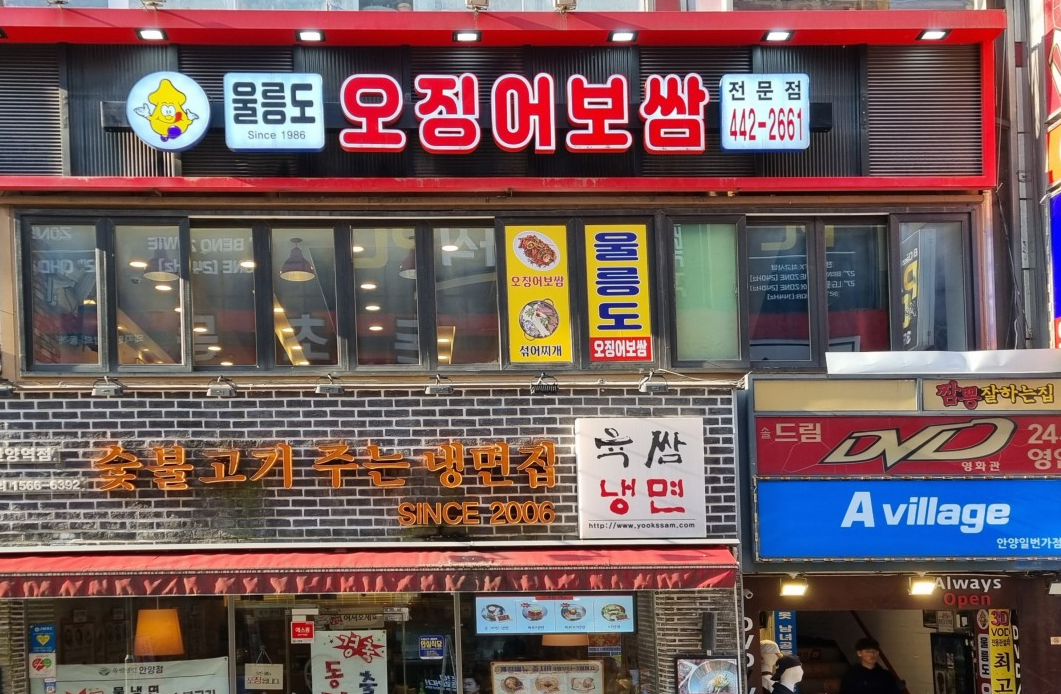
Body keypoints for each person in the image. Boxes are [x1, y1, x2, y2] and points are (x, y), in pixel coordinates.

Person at [839, 638, 906, 694]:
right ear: (859, 653)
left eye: (875, 651)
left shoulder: (886, 675)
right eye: (868, 651)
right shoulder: (851, 675)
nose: (872, 654)